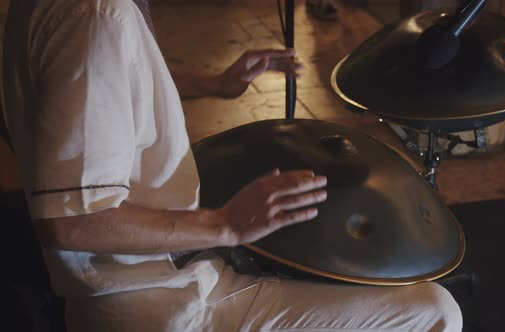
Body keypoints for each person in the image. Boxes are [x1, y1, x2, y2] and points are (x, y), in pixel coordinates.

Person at [1, 0, 462, 331]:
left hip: (143, 287)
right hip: (158, 303)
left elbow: (99, 84)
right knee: (433, 311)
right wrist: (224, 225)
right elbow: (71, 223)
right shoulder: (96, 16)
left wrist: (213, 84)